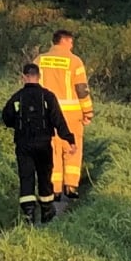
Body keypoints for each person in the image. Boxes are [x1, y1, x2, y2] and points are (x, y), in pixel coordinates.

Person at [2, 61, 73, 223]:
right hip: (43, 144)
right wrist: (69, 138)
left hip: (24, 144)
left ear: (23, 77)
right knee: (44, 175)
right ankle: (47, 209)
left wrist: (17, 126)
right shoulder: (47, 96)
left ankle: (28, 213)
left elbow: (6, 117)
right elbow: (58, 119)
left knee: (26, 176)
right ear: (39, 77)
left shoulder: (17, 97)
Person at [37, 28, 93, 205]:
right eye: (71, 42)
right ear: (65, 41)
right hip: (70, 115)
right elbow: (82, 89)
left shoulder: (40, 60)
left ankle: (55, 188)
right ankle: (71, 186)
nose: (72, 45)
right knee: (71, 147)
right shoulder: (74, 61)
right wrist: (88, 112)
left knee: (51, 149)